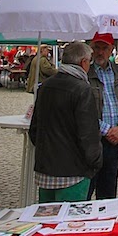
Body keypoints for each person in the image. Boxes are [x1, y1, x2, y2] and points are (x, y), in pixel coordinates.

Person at [29, 41, 103, 202]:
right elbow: (88, 133)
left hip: (46, 168)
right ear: (83, 62)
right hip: (73, 171)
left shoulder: (45, 86)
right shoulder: (82, 89)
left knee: (47, 222)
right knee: (69, 222)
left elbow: (34, 129)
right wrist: (95, 161)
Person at [87, 33, 118, 199]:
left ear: (111, 50)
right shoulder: (86, 73)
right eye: (97, 48)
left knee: (108, 193)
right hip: (92, 140)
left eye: (104, 48)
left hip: (115, 141)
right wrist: (107, 130)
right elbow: (83, 111)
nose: (100, 52)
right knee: (86, 191)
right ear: (91, 50)